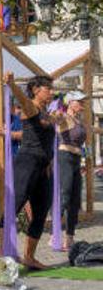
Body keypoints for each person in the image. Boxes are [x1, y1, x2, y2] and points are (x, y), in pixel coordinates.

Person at [3, 72, 61, 269]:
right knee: (15, 207)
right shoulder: (30, 107)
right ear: (36, 90)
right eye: (48, 89)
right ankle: (1, 253)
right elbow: (22, 98)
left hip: (43, 167)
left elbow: (38, 135)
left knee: (41, 211)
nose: (52, 92)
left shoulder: (46, 113)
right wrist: (11, 83)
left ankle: (29, 256)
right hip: (27, 163)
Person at [56, 90, 88, 246]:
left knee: (75, 199)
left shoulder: (79, 121)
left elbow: (93, 131)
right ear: (70, 103)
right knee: (65, 195)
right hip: (65, 157)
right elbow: (55, 119)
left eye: (83, 101)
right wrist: (55, 114)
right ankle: (55, 234)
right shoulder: (64, 117)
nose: (82, 104)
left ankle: (69, 237)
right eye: (79, 101)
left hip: (76, 159)